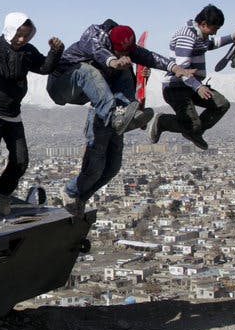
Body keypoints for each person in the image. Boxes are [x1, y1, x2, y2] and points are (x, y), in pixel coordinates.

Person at [47, 22, 195, 215]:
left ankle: (77, 198)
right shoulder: (95, 36)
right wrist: (112, 61)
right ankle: (115, 115)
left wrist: (175, 68)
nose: (120, 56)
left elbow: (149, 57)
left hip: (103, 101)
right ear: (111, 44)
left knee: (111, 168)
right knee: (89, 70)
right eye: (117, 52)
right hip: (63, 85)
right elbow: (99, 51)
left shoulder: (125, 52)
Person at [0, 13, 63, 229]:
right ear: (10, 29)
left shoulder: (28, 52)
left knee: (20, 161)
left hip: (13, 114)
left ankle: (1, 190)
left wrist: (56, 51)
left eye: (26, 36)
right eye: (19, 35)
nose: (22, 40)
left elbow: (45, 67)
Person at [149, 4, 235, 150]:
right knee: (193, 124)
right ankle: (163, 121)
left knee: (221, 104)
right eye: (214, 29)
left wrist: (231, 38)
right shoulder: (186, 36)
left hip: (191, 86)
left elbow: (209, 44)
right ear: (204, 24)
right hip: (176, 88)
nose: (214, 32)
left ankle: (193, 132)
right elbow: (181, 70)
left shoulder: (199, 35)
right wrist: (198, 87)